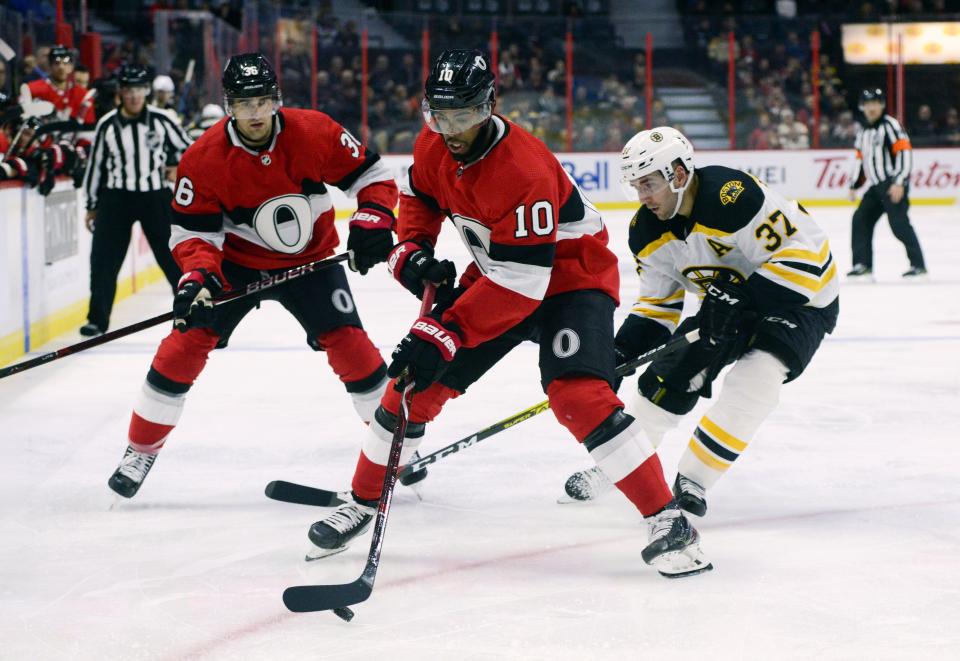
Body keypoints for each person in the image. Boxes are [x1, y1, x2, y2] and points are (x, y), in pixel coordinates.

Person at [305, 50, 712, 579]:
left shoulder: (523, 167)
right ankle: (363, 500)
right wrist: (413, 250)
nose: (450, 130)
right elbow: (422, 197)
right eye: (439, 115)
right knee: (408, 386)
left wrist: (443, 332)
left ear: (489, 106)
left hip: (571, 281)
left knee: (578, 395)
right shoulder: (433, 144)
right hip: (502, 271)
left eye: (464, 116)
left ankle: (668, 520)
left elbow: (524, 287)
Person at [106, 53, 398, 499]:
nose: (255, 114)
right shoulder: (203, 158)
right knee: (183, 344)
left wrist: (373, 219)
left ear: (277, 99)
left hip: (311, 263)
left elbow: (374, 176)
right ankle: (140, 449)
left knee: (353, 348)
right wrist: (197, 278)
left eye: (263, 101)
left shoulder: (314, 131)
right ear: (228, 106)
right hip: (235, 267)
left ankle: (391, 450)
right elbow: (191, 234)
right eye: (244, 104)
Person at [560, 127, 839, 518]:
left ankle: (695, 478)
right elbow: (657, 308)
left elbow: (806, 262)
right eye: (635, 187)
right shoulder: (645, 232)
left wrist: (739, 299)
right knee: (669, 375)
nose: (642, 198)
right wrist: (617, 352)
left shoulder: (732, 197)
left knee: (757, 378)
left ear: (677, 174)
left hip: (802, 300)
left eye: (649, 184)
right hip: (727, 302)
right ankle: (619, 465)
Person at [80, 63, 188, 336]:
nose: (134, 96)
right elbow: (96, 167)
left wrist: (177, 165)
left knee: (173, 257)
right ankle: (97, 320)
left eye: (139, 89)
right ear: (120, 92)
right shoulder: (107, 125)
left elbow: (190, 150)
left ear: (147, 91)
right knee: (103, 261)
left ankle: (192, 313)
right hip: (115, 199)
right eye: (128, 90)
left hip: (155, 196)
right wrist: (92, 205)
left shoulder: (162, 120)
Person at [846, 88, 926, 280]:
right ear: (862, 107)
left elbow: (904, 153)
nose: (871, 107)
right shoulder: (863, 131)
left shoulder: (891, 125)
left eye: (875, 103)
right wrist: (853, 185)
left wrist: (899, 182)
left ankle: (919, 266)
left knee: (899, 225)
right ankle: (863, 265)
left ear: (881, 105)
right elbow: (860, 160)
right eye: (868, 104)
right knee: (860, 219)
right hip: (876, 187)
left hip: (892, 183)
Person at [18, 45, 95, 124]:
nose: (61, 67)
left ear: (72, 67)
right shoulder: (31, 89)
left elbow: (88, 131)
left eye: (65, 63)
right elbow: (22, 121)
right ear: (50, 66)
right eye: (56, 63)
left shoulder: (83, 95)